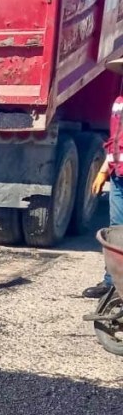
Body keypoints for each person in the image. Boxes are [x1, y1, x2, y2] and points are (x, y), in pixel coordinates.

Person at [83, 57, 123, 298]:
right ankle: (112, 282)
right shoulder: (119, 103)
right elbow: (115, 141)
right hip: (118, 177)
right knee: (116, 230)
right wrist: (103, 170)